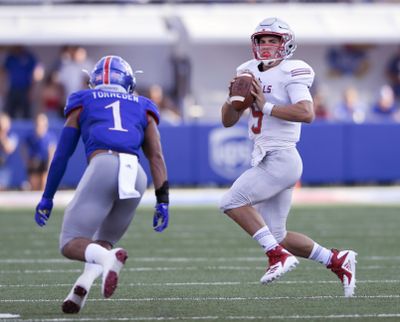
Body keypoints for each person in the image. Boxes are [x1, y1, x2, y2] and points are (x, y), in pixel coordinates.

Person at [220, 17, 357, 297]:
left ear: (286, 44)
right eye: (262, 40)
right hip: (265, 157)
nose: (266, 45)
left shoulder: (292, 71)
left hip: (282, 157)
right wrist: (232, 99)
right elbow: (227, 121)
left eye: (273, 40)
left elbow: (307, 113)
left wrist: (266, 106)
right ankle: (336, 260)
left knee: (232, 201)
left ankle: (276, 256)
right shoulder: (246, 70)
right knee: (278, 234)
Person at [33, 55, 170, 313]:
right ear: (128, 82)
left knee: (70, 242)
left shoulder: (83, 99)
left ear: (95, 81)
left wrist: (47, 196)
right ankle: (80, 290)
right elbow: (156, 156)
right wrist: (163, 200)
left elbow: (62, 154)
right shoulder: (143, 104)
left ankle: (110, 259)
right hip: (136, 174)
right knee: (102, 241)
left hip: (104, 164)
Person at [22, 113, 56, 191]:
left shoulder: (50, 137)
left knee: (44, 185)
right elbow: (23, 148)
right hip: (34, 162)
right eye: (38, 124)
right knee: (34, 185)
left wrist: (49, 166)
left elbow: (51, 151)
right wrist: (27, 161)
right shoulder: (30, 136)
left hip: (45, 163)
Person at [0, 112, 18, 190]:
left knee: (2, 188)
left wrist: (2, 135)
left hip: (5, 167)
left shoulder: (12, 135)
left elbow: (9, 148)